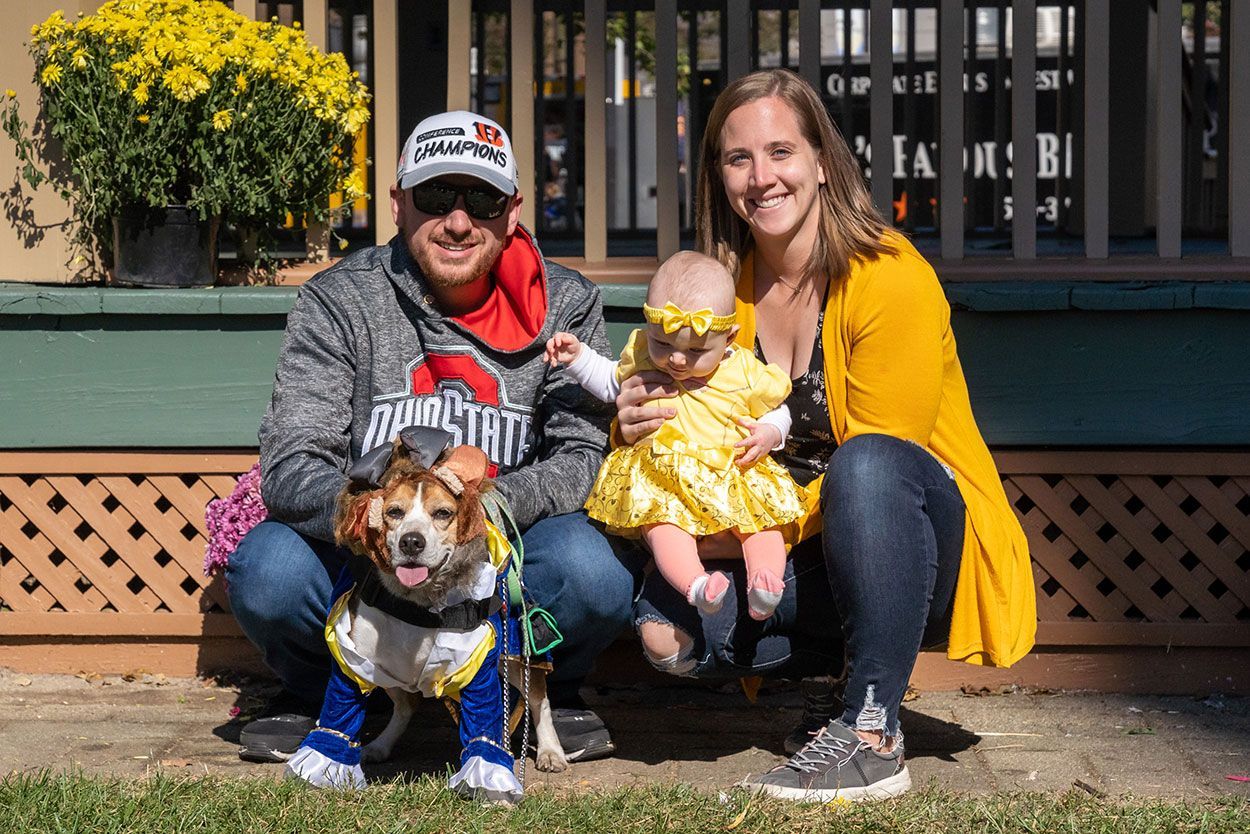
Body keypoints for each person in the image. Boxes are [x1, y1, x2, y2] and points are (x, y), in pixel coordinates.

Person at [617, 69, 1036, 802]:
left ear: (821, 161)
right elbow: (689, 442)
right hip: (776, 544)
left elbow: (882, 464)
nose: (761, 177)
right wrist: (636, 419)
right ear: (718, 174)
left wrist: (740, 536)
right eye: (737, 158)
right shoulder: (723, 294)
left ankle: (873, 731)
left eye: (781, 151)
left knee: (865, 467)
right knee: (669, 624)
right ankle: (825, 686)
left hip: (912, 545)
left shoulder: (887, 277)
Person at [225, 109, 645, 765]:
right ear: (397, 204)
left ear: (512, 210)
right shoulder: (339, 300)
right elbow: (293, 463)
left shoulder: (566, 303)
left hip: (500, 556)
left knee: (593, 572)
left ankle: (532, 691)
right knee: (269, 571)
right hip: (373, 554)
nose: (458, 220)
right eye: (434, 197)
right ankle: (329, 696)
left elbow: (581, 459)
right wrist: (386, 518)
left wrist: (481, 506)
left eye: (481, 198)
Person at [545, 250, 805, 621]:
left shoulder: (744, 370)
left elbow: (779, 409)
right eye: (663, 344)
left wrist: (770, 433)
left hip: (729, 472)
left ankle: (766, 582)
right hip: (664, 479)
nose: (677, 361)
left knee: (763, 526)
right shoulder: (644, 357)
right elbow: (609, 381)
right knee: (664, 530)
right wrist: (577, 358)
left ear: (729, 337)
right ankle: (696, 585)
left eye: (696, 351)